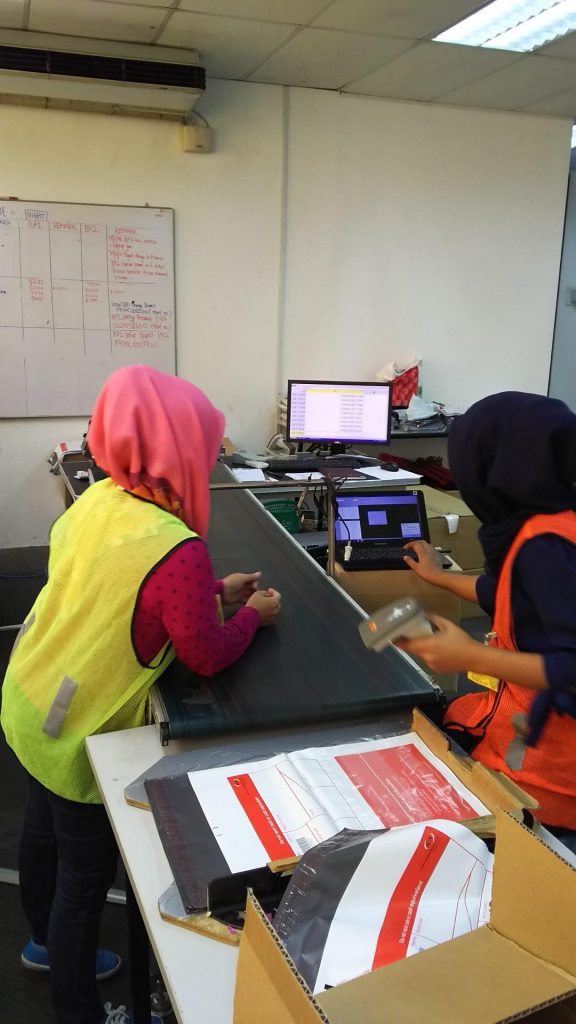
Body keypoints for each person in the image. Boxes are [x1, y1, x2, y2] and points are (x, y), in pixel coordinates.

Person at [1, 365, 282, 1024]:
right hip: (77, 729)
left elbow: (115, 584)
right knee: (83, 883)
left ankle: (40, 941)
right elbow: (203, 653)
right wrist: (252, 616)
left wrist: (211, 592)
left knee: (40, 833)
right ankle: (79, 1009)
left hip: (28, 692)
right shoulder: (177, 547)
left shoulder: (99, 497)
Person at [395, 391, 576, 850]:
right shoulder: (552, 522)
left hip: (551, 783)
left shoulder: (543, 547)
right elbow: (513, 597)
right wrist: (439, 577)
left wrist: (470, 655)